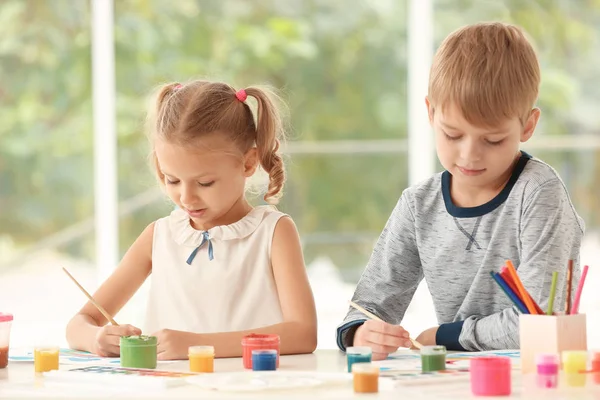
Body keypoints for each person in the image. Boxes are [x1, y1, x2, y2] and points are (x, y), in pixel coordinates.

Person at [337, 22, 584, 359]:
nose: (469, 154)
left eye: (493, 140)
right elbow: (367, 307)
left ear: (527, 125)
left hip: (534, 379)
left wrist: (445, 335)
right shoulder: (418, 206)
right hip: (457, 379)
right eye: (452, 135)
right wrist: (360, 334)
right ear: (430, 113)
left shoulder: (539, 193)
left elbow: (540, 322)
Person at [67, 80, 317, 360]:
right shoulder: (159, 235)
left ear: (248, 163)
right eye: (171, 179)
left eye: (205, 183)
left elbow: (303, 333)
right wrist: (97, 338)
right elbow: (79, 324)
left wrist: (199, 346)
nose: (187, 198)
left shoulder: (273, 232)